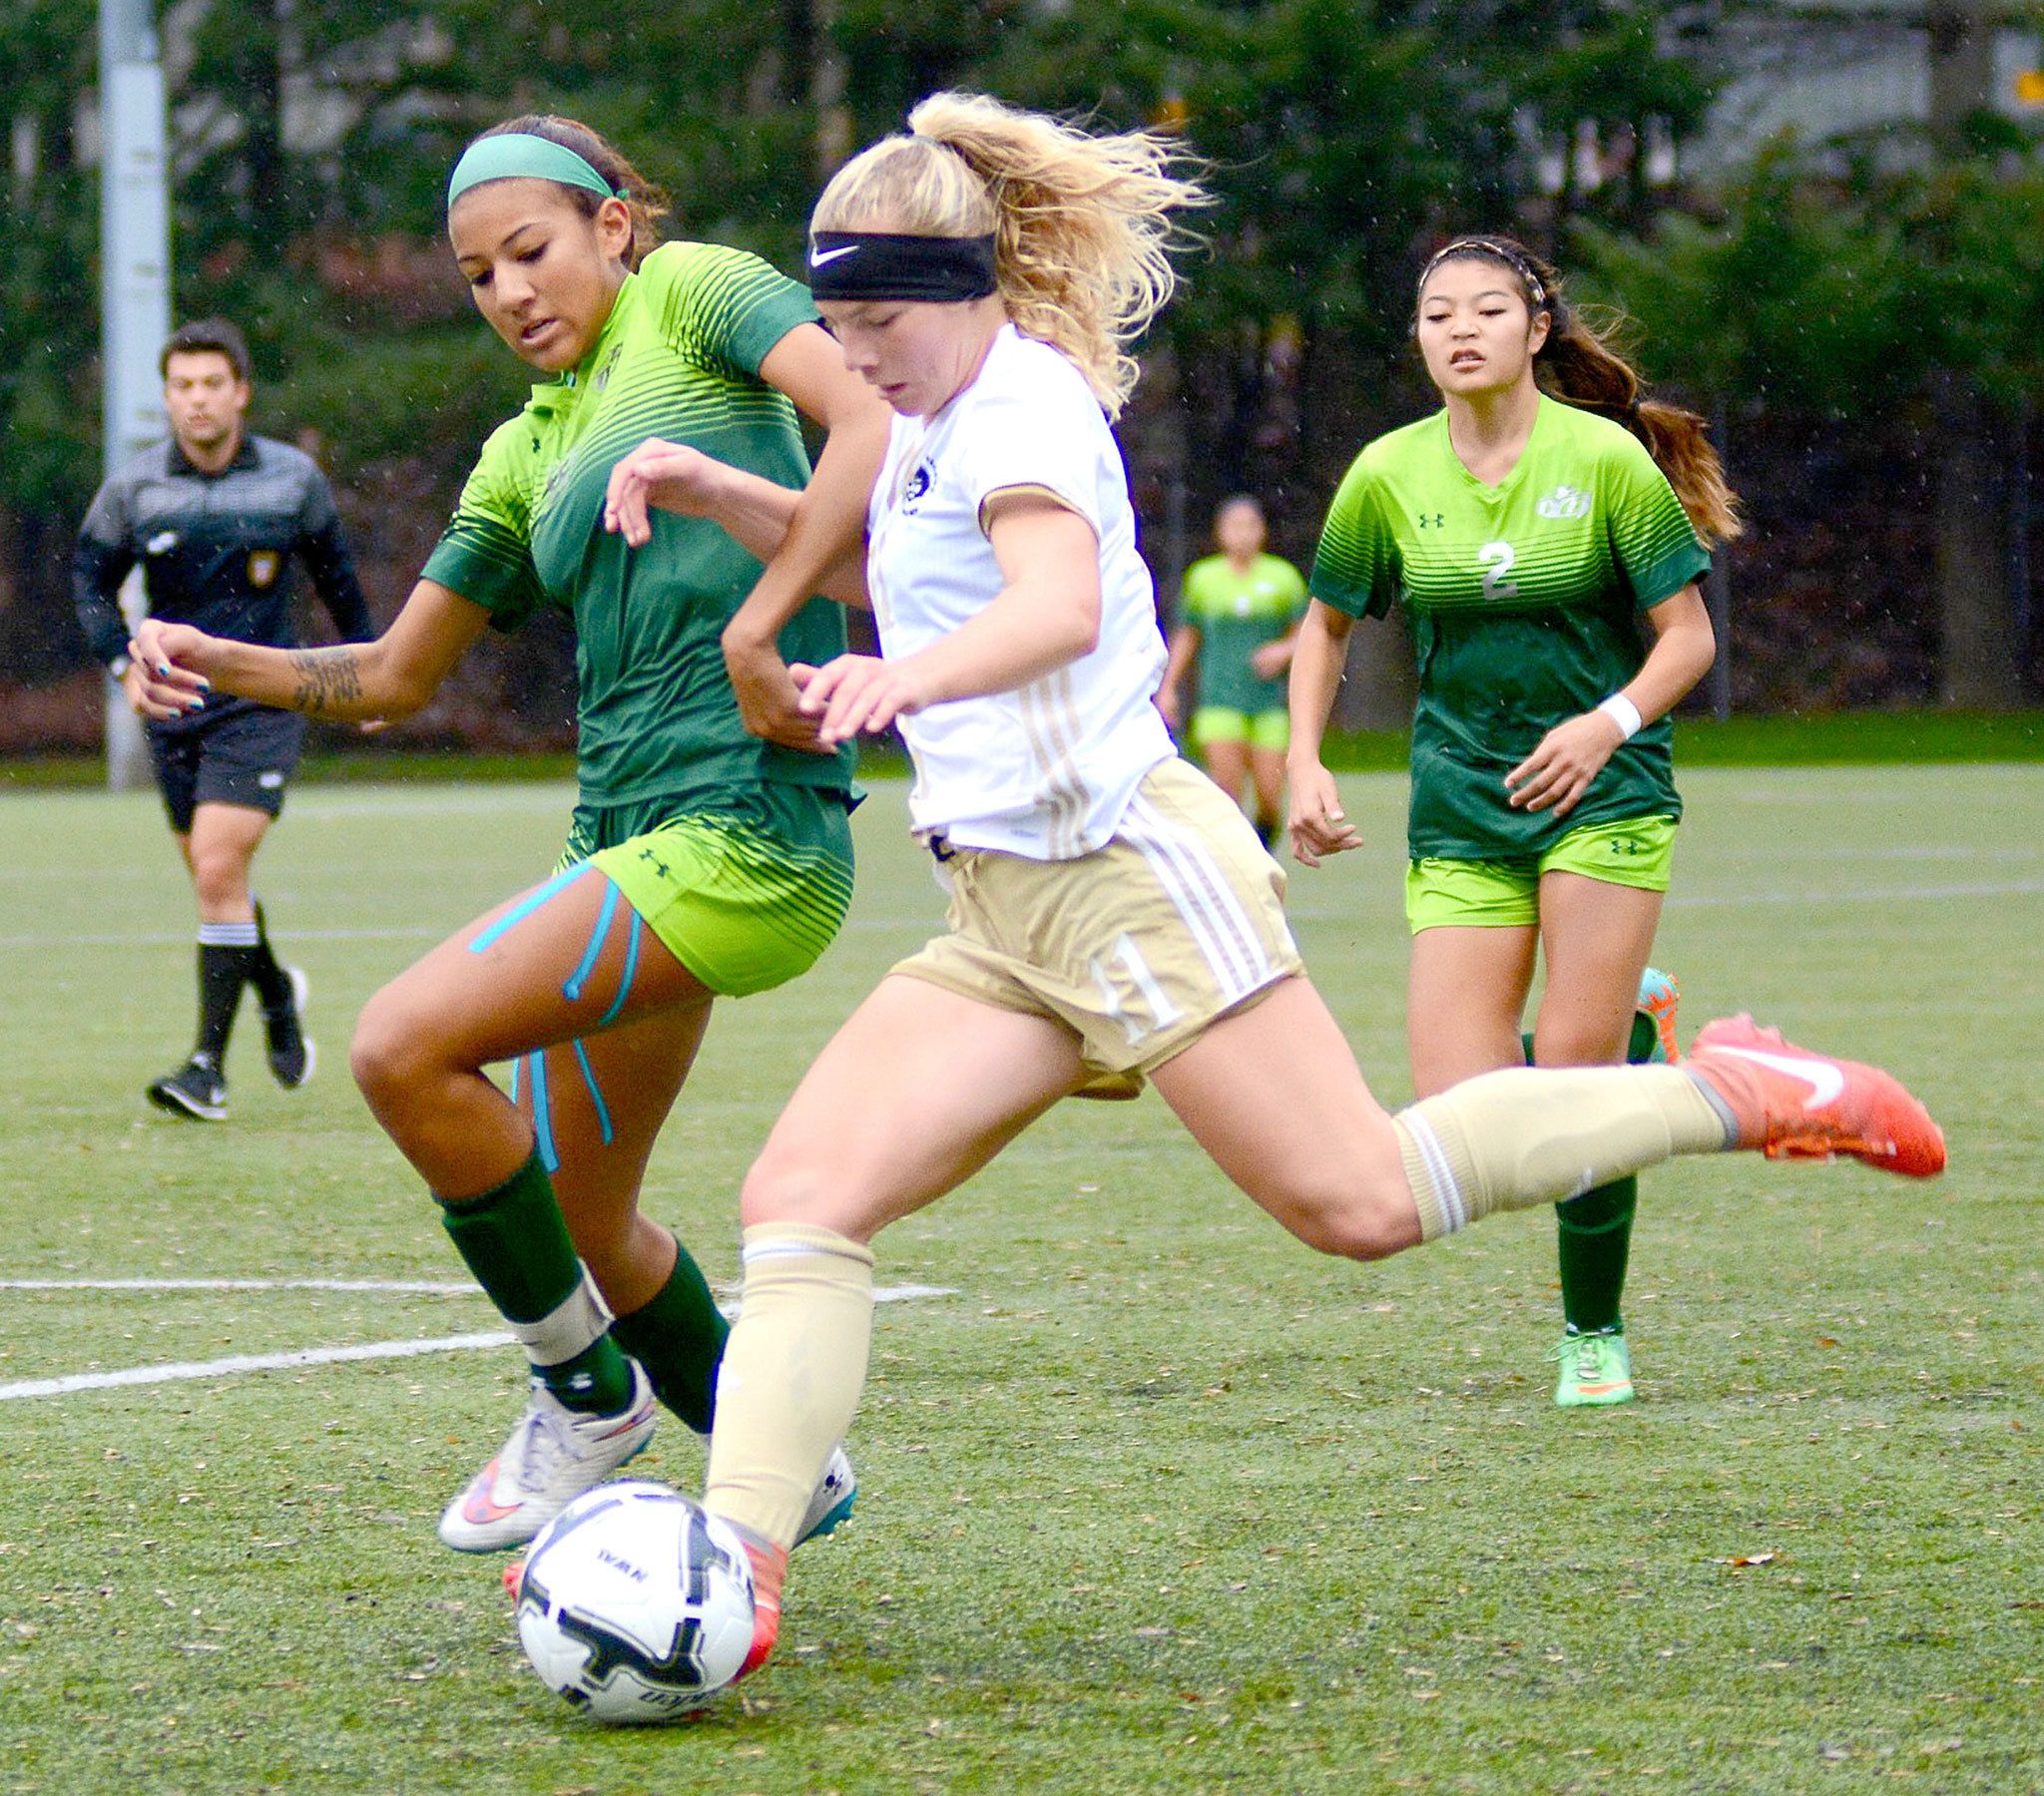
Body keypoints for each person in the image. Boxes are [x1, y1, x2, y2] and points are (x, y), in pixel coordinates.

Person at [593, 93, 1943, 1686]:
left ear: (963, 291)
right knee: (802, 1201)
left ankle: (1738, 1088)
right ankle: (733, 1578)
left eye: (876, 319)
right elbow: (907, 558)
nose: (855, 352)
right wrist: (727, 497)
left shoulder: (1020, 410)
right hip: (1005, 912)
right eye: (833, 322)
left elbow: (1050, 603)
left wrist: (903, 683)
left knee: (1362, 1200)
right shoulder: (933, 416)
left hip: (1125, 879)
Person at [131, 116, 891, 1555]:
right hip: (624, 842)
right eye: (479, 275)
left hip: (748, 830)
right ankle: (773, 1445)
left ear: (616, 224)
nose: (509, 293)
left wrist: (756, 622)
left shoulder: (702, 292)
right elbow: (394, 675)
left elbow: (871, 418)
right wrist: (210, 656)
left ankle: (586, 1398)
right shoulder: (521, 450)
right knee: (587, 1221)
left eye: (530, 250)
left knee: (399, 1044)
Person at [1287, 235, 1740, 1408]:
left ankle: (1591, 1332)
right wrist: (1300, 761)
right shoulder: (1384, 472)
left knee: (1573, 1110)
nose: (1459, 330)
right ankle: (1635, 1046)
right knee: (1465, 1118)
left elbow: (1685, 636)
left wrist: (1606, 722)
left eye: (1486, 310)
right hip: (1459, 802)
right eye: (1436, 314)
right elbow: (1326, 626)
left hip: (1604, 796)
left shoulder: (1602, 462)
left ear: (1534, 330)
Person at [74, 317, 374, 1122]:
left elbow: (339, 583)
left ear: (240, 393)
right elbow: (90, 584)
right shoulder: (135, 489)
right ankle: (276, 993)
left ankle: (206, 1067)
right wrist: (121, 672)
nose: (197, 400)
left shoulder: (293, 481)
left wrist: (372, 672)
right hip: (176, 706)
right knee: (220, 883)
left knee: (215, 869)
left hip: (269, 697)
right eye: (182, 386)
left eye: (213, 384)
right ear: (167, 397)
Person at [1157, 496, 1305, 846]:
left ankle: (1263, 847)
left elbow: (1308, 632)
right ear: (1220, 533)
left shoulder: (1282, 577)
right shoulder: (1204, 578)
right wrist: (1168, 687)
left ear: (1262, 531)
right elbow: (1188, 635)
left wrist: (1283, 650)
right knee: (1226, 795)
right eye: (1234, 527)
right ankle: (1241, 863)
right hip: (1219, 701)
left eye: (1250, 526)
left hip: (1268, 703)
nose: (1243, 535)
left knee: (1270, 796)